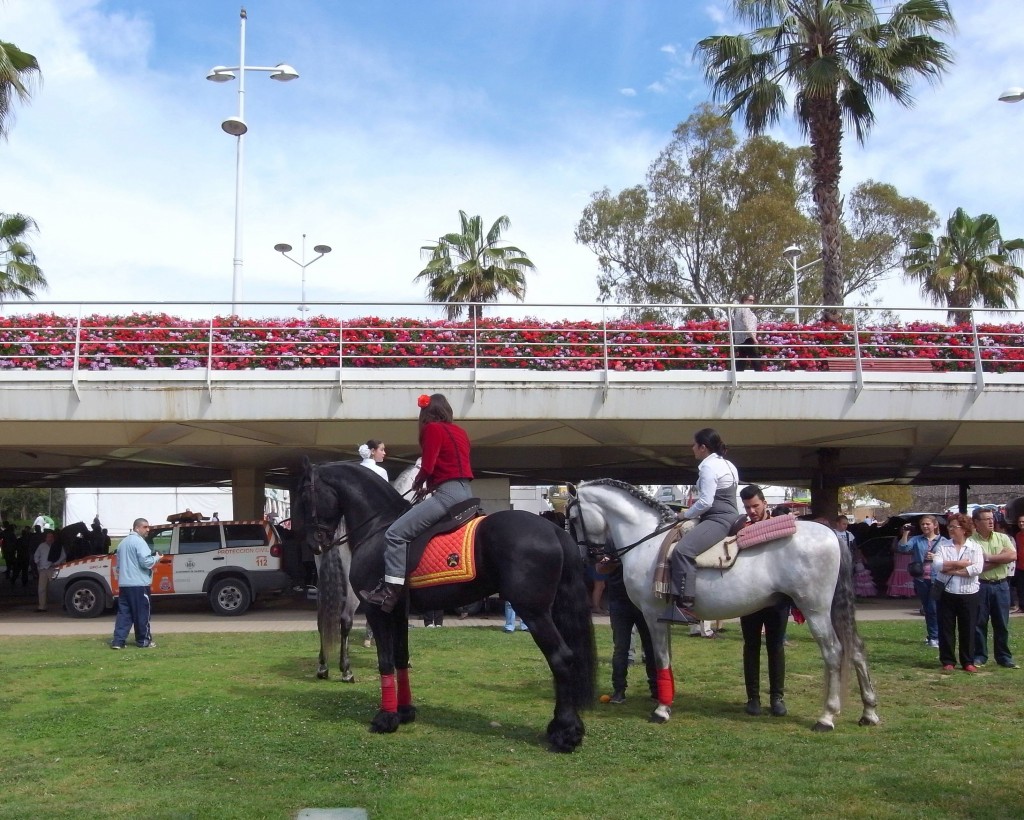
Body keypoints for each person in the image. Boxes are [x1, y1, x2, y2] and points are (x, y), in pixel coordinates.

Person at [361, 393, 474, 613]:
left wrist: (419, 483)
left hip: (447, 495)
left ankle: (390, 593)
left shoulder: (432, 429)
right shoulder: (461, 431)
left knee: (395, 534)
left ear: (426, 412)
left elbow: (428, 466)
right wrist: (430, 486)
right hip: (466, 493)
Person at [661, 428, 739, 624]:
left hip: (718, 519)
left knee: (682, 551)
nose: (692, 448)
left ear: (703, 447)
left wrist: (683, 515)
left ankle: (685, 606)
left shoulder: (708, 467)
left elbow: (705, 502)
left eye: (695, 444)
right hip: (728, 515)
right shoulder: (727, 463)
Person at [735, 485, 788, 717]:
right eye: (747, 507)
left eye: (755, 506)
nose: (752, 511)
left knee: (776, 647)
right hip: (750, 598)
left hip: (777, 598)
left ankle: (777, 698)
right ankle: (753, 698)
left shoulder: (781, 527)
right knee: (751, 646)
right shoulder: (742, 529)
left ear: (765, 503)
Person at [596, 555, 656, 704]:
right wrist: (617, 561)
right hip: (620, 602)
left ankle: (656, 689)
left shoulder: (644, 543)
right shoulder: (613, 544)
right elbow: (600, 568)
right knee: (621, 648)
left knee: (650, 648)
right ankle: (619, 690)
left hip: (642, 603)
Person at [933, 513, 984, 672]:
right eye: (949, 526)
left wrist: (951, 570)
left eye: (953, 527)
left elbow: (976, 569)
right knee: (946, 628)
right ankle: (948, 660)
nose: (950, 529)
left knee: (968, 628)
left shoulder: (975, 547)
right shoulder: (943, 546)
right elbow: (937, 565)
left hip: (969, 594)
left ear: (964, 529)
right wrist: (959, 563)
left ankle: (967, 661)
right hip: (947, 593)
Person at [970, 507, 1018, 668]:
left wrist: (989, 558)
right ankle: (980, 655)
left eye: (992, 518)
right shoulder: (971, 541)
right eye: (987, 519)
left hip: (1001, 585)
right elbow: (975, 566)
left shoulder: (1002, 538)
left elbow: (1012, 556)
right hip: (980, 586)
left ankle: (1004, 657)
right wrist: (1000, 559)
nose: (991, 521)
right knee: (979, 623)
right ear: (976, 522)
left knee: (1001, 624)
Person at [111, 518, 161, 649]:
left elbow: (118, 566)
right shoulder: (139, 542)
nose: (148, 529)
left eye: (148, 527)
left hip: (124, 584)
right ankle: (143, 641)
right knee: (142, 613)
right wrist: (156, 558)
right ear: (137, 528)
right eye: (145, 527)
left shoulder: (122, 543)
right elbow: (146, 562)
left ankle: (118, 641)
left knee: (124, 614)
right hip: (139, 584)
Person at [897, 515, 943, 648]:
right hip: (921, 579)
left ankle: (935, 637)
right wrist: (905, 533)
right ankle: (932, 636)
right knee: (927, 609)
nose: (925, 526)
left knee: (933, 608)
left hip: (937, 578)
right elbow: (903, 548)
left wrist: (935, 557)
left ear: (935, 525)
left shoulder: (943, 541)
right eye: (923, 524)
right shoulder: (917, 539)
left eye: (928, 524)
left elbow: (948, 557)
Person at [32, 529, 65, 612]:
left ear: (54, 538)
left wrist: (57, 563)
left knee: (56, 588)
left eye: (51, 537)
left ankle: (63, 604)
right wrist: (37, 562)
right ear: (45, 538)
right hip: (43, 569)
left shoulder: (58, 546)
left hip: (53, 569)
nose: (50, 538)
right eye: (48, 537)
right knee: (41, 589)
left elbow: (63, 556)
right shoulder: (41, 546)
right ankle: (42, 606)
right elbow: (36, 555)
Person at [731, 293, 760, 372]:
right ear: (744, 300)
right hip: (747, 336)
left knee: (742, 357)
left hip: (740, 337)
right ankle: (759, 374)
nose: (752, 302)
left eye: (753, 300)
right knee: (754, 356)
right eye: (750, 300)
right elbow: (746, 324)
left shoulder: (739, 309)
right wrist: (754, 338)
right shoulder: (745, 309)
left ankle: (738, 373)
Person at [1015, 513, 1024, 614]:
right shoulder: (1018, 535)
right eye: (1019, 522)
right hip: (1020, 566)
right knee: (1020, 588)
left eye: (1023, 522)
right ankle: (1022, 607)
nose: (1021, 523)